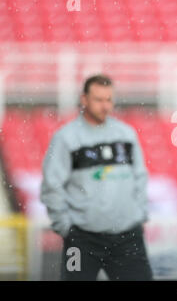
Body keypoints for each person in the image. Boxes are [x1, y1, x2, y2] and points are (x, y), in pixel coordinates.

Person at [40, 75, 153, 280]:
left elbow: (140, 177)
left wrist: (139, 214)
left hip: (128, 239)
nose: (105, 106)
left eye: (109, 99)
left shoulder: (126, 134)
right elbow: (52, 186)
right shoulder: (66, 138)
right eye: (98, 99)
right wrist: (66, 228)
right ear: (84, 99)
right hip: (82, 240)